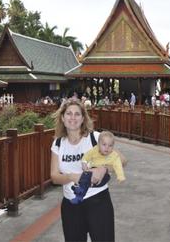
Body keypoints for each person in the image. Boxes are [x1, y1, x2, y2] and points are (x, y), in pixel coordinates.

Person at [50, 98, 126, 242]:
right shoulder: (58, 143)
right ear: (62, 117)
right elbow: (54, 176)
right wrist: (74, 177)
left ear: (83, 118)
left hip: (98, 202)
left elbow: (122, 160)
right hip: (71, 205)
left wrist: (103, 168)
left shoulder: (94, 138)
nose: (73, 117)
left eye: (77, 114)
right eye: (69, 113)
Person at [71, 131, 126, 204]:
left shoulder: (114, 155)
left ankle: (80, 187)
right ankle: (79, 194)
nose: (107, 148)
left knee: (88, 177)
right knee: (86, 174)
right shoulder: (95, 150)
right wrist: (84, 162)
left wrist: (121, 177)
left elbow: (118, 166)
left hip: (105, 175)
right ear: (98, 144)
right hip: (92, 169)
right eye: (104, 145)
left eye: (110, 146)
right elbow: (87, 155)